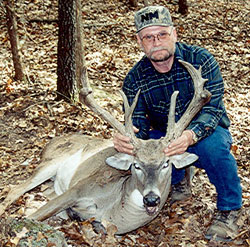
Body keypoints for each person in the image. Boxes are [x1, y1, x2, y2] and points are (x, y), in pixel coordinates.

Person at [113, 6, 242, 242]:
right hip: (163, 138)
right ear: (139, 41)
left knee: (213, 149)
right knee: (147, 154)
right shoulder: (135, 78)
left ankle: (230, 209)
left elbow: (213, 110)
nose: (156, 42)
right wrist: (129, 138)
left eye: (162, 34)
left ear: (174, 33)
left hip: (204, 131)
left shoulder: (202, 61)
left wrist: (190, 136)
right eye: (148, 37)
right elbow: (139, 125)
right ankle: (179, 179)